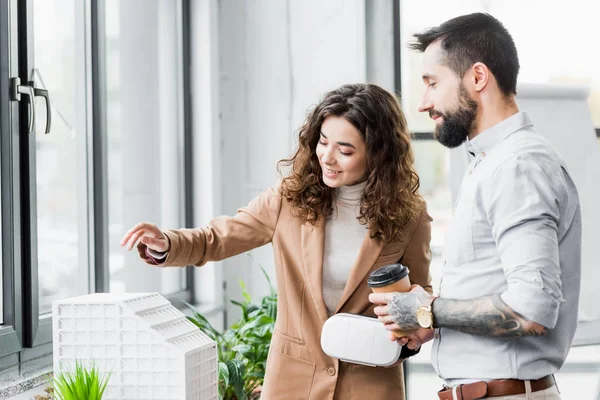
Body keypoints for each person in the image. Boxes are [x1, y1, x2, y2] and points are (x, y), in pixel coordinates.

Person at [120, 83, 433, 400]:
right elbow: (218, 238)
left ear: (379, 154)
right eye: (323, 142)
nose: (327, 157)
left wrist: (418, 330)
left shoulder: (410, 215)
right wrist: (167, 243)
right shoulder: (291, 197)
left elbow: (422, 295)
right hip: (293, 379)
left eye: (345, 150)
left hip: (371, 381)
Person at [370, 13, 581, 400]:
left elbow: (531, 310)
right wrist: (432, 325)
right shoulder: (493, 162)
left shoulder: (518, 166)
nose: (423, 103)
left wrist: (427, 311)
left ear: (478, 78)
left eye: (433, 83)